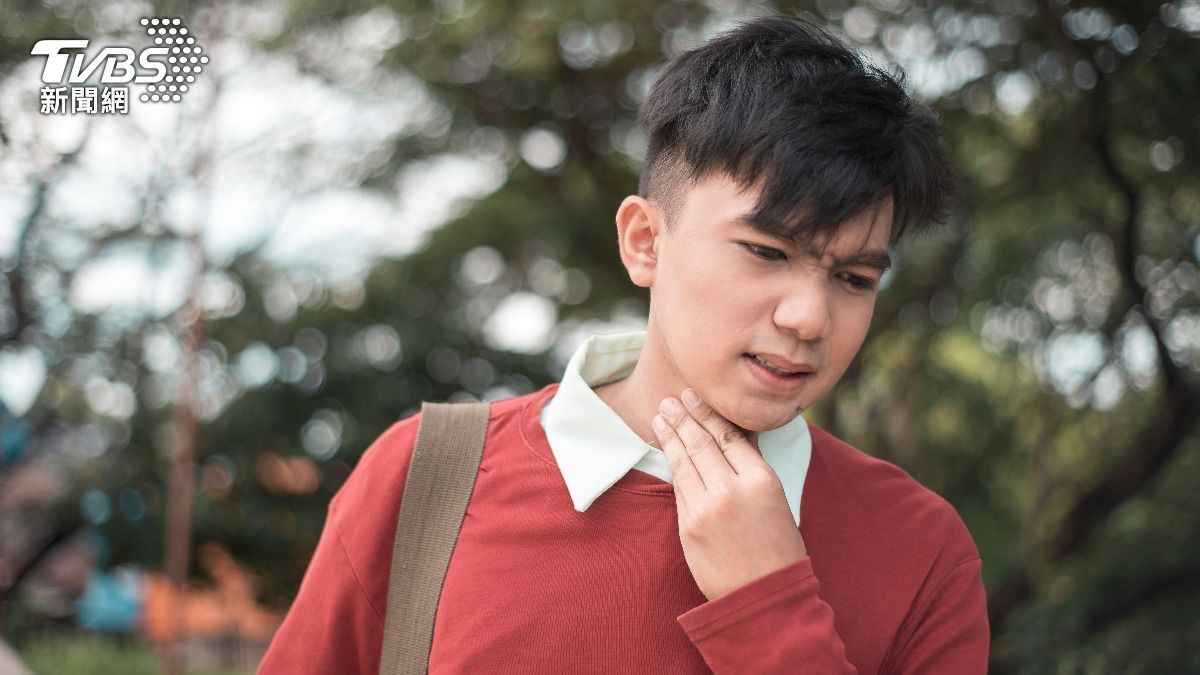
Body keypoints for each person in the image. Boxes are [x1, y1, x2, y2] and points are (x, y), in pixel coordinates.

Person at [259, 14, 988, 674]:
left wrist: (770, 608)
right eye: (767, 252)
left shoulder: (919, 547)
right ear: (645, 241)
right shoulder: (426, 478)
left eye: (854, 278)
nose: (809, 317)